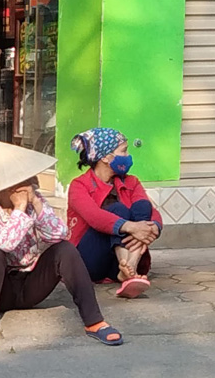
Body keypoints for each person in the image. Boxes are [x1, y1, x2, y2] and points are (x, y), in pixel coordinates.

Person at [0, 142, 123, 351]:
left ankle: (94, 321)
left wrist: (38, 205)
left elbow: (58, 234)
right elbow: (6, 243)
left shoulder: (35, 202)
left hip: (27, 282)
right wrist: (20, 208)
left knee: (65, 250)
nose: (30, 186)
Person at [67, 127, 163, 298]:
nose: (127, 156)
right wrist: (131, 227)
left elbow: (150, 211)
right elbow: (94, 217)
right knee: (118, 210)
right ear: (105, 157)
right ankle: (129, 267)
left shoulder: (131, 181)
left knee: (142, 207)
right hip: (89, 261)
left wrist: (153, 227)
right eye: (123, 151)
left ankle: (128, 269)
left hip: (114, 264)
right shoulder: (79, 186)